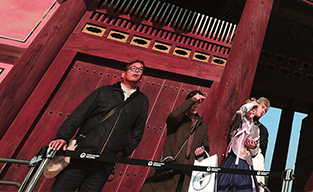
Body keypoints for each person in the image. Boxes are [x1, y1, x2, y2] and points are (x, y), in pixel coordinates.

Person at [48, 60, 150, 192]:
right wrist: (62, 137)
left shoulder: (141, 101)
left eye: (140, 70)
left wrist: (124, 151)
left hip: (105, 163)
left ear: (142, 77)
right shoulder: (104, 92)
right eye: (133, 68)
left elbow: (138, 130)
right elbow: (79, 114)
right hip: (81, 155)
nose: (136, 71)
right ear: (123, 73)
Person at [139, 90, 210, 192]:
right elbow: (173, 116)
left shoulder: (202, 126)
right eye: (193, 103)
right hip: (170, 166)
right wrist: (193, 99)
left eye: (199, 103)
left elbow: (206, 146)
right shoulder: (177, 120)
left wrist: (201, 153)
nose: (195, 106)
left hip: (187, 172)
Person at [216, 99, 268, 192]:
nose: (253, 110)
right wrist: (252, 104)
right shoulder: (238, 122)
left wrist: (253, 147)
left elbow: (255, 152)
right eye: (251, 108)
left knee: (245, 187)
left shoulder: (256, 129)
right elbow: (240, 112)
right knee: (224, 185)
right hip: (233, 159)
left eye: (255, 108)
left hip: (246, 162)